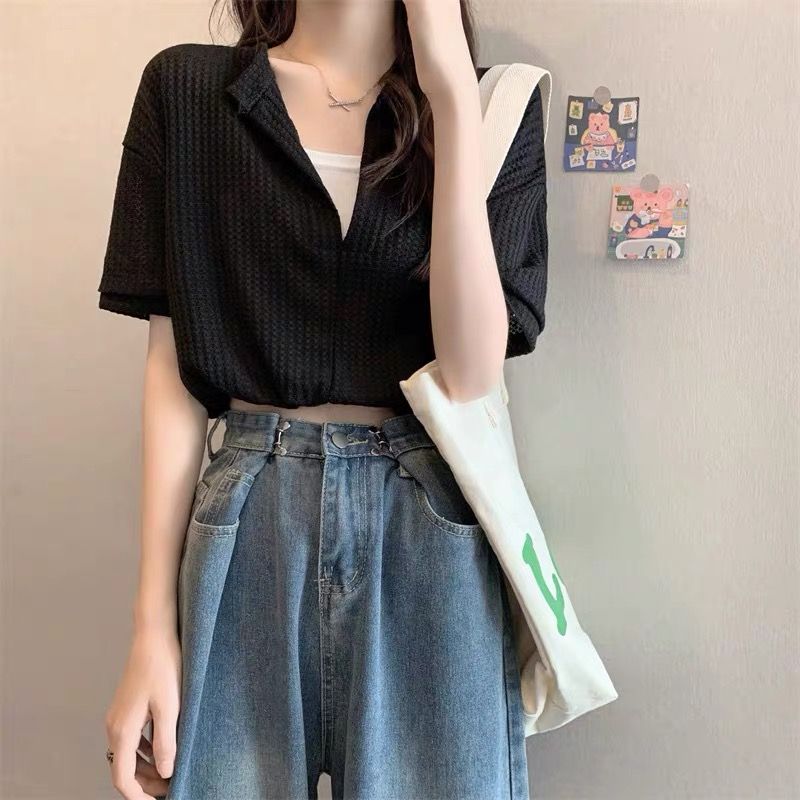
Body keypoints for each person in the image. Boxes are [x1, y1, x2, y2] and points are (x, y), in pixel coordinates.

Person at [99, 1, 548, 798]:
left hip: (429, 526)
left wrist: (449, 93)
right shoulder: (187, 91)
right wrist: (151, 628)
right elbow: (173, 369)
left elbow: (471, 376)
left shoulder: (495, 106)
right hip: (248, 519)